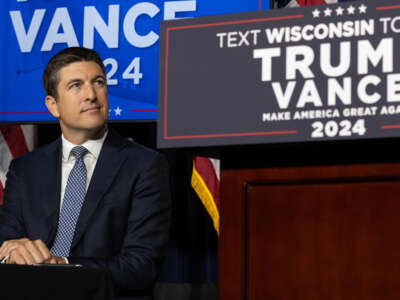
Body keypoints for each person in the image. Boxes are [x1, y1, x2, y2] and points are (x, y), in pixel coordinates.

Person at [0, 47, 171, 300]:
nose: (91, 94)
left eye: (98, 82)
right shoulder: (25, 169)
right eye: (76, 85)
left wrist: (62, 265)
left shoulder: (144, 165)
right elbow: (7, 242)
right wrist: (10, 252)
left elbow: (141, 266)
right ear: (53, 105)